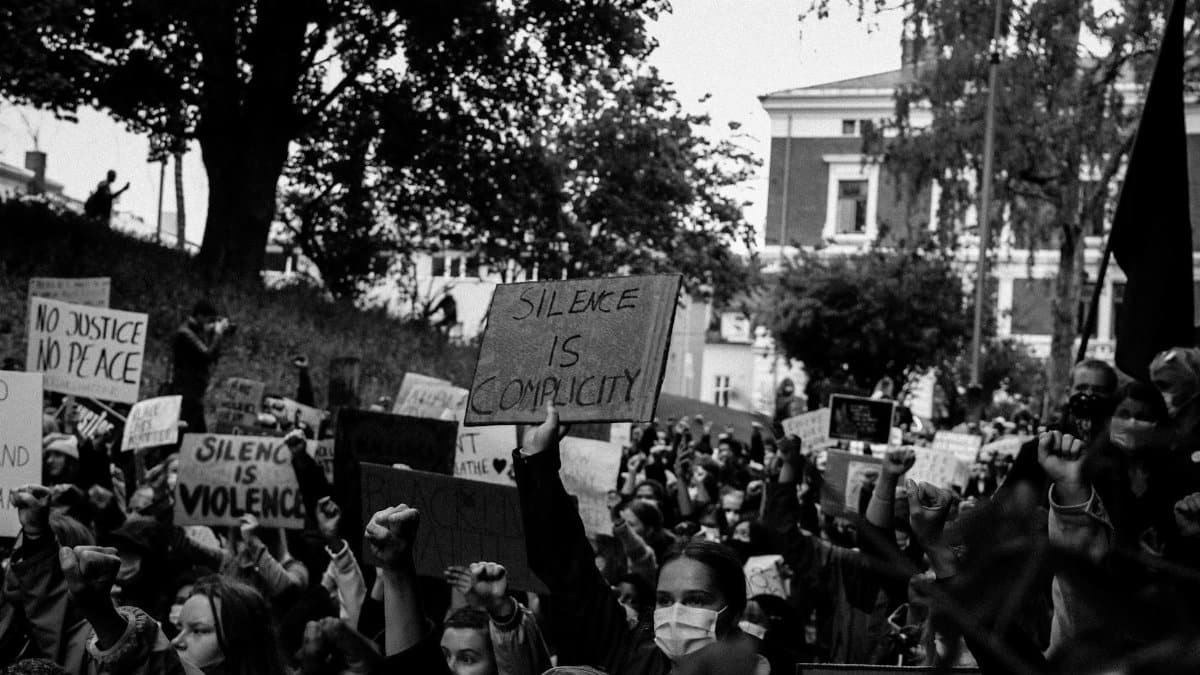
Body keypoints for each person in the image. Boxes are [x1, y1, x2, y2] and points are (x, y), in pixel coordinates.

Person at [512, 405, 765, 673]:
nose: (676, 615)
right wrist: (538, 461)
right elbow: (566, 564)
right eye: (665, 600)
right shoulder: (631, 652)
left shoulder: (775, 665)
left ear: (735, 611)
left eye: (696, 600)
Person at [171, 301, 232, 433]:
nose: (209, 324)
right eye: (208, 320)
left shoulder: (194, 331)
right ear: (200, 316)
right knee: (185, 433)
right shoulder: (185, 333)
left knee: (198, 434)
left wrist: (214, 333)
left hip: (195, 392)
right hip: (187, 392)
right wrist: (218, 333)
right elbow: (207, 355)